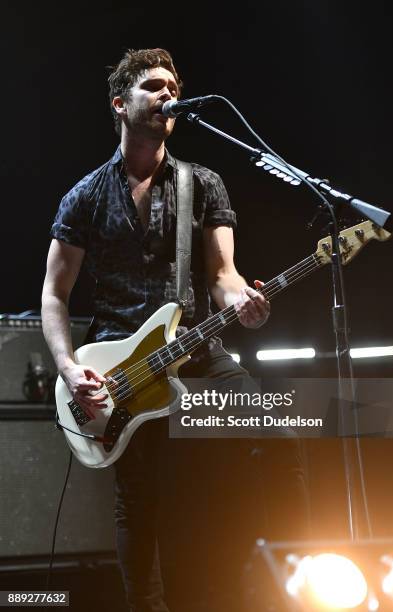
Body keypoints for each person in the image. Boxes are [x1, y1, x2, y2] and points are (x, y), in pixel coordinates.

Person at [41, 48, 275, 611]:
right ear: (122, 104)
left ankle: (255, 575)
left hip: (195, 351)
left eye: (174, 86)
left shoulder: (203, 183)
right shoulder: (84, 196)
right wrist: (71, 369)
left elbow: (223, 276)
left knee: (277, 428)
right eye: (155, 86)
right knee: (141, 505)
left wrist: (242, 299)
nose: (170, 95)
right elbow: (54, 294)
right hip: (118, 372)